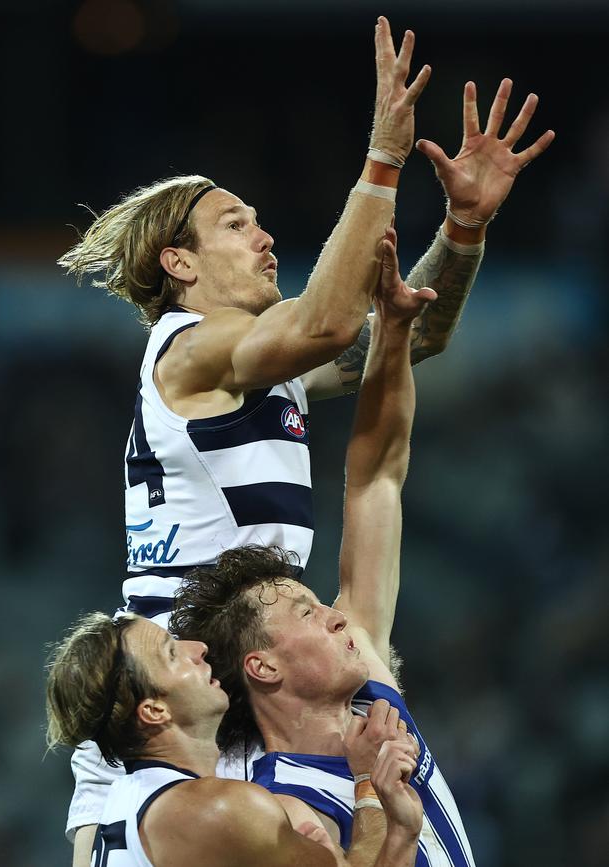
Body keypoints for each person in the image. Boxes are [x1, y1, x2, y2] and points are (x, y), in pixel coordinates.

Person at [58, 14, 553, 857]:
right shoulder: (188, 348)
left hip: (242, 672)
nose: (266, 236)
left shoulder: (253, 366)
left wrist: (462, 231)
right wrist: (383, 156)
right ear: (179, 265)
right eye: (235, 224)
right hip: (171, 689)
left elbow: (407, 336)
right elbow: (327, 323)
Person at [169, 222, 473, 863]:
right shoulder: (271, 811)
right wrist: (371, 792)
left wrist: (393, 331)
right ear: (263, 667)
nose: (338, 617)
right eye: (307, 613)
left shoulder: (368, 680)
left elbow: (376, 481)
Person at [45, 610, 425, 867]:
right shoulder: (217, 809)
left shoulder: (124, 801)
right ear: (154, 711)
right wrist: (377, 799)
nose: (198, 649)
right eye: (172, 654)